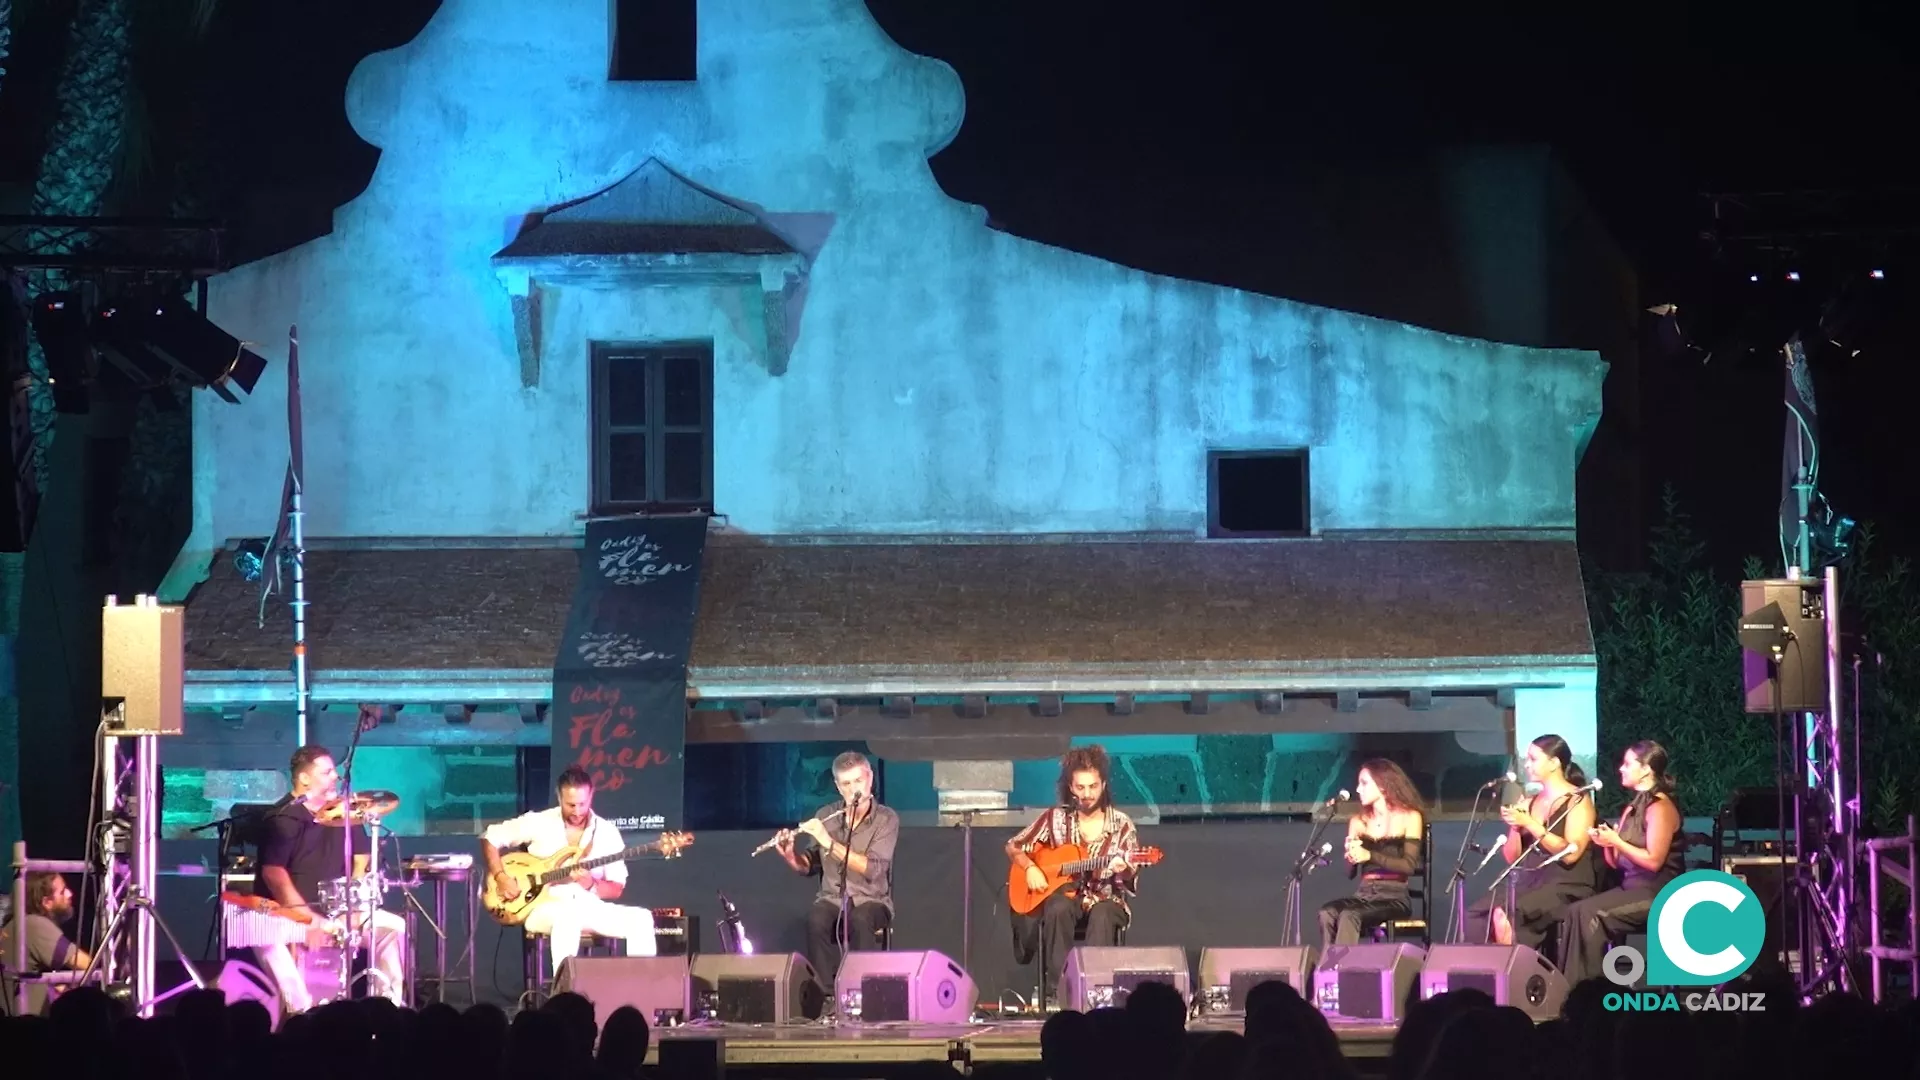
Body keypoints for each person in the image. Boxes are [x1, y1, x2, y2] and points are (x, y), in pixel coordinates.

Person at [254, 744, 408, 1010]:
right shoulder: (284, 818)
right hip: (286, 916)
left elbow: (361, 857)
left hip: (337, 912)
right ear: (304, 778)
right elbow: (273, 873)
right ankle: (296, 1021)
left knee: (392, 928)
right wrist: (307, 920)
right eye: (327, 772)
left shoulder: (344, 813)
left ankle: (389, 1009)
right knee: (299, 1002)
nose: (336, 777)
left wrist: (356, 904)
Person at [483, 766, 658, 975]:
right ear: (559, 797)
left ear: (592, 795)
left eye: (582, 804)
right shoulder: (540, 821)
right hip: (544, 907)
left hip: (588, 905)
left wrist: (591, 884)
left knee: (642, 919)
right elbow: (490, 837)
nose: (576, 811)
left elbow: (616, 888)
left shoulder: (607, 832)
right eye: (570, 804)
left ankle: (640, 996)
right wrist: (501, 877)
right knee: (568, 916)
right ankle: (566, 996)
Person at [1007, 745, 1145, 995]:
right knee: (1057, 907)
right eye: (1080, 787)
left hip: (1106, 900)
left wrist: (1123, 868)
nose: (1087, 793)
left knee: (1103, 913)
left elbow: (1130, 875)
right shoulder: (1055, 819)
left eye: (1093, 786)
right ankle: (1059, 992)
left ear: (1103, 785)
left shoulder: (1122, 825)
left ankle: (1096, 991)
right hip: (1067, 899)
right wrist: (1029, 868)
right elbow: (1013, 846)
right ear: (1070, 788)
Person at [1558, 740, 1685, 986]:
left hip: (1658, 892)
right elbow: (1617, 863)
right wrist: (1608, 843)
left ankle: (1591, 993)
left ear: (1646, 770)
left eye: (1628, 764)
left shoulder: (1661, 807)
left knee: (1589, 914)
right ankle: (1570, 990)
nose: (1621, 769)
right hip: (1631, 888)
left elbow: (1654, 861)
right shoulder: (1631, 808)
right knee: (1574, 911)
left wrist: (1617, 840)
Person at [773, 751, 900, 992]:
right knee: (816, 919)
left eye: (859, 781)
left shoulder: (886, 819)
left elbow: (872, 869)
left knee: (861, 919)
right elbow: (810, 864)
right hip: (832, 898)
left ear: (870, 778)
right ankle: (828, 996)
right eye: (847, 784)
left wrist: (828, 842)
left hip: (871, 899)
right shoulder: (826, 816)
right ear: (838, 787)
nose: (855, 790)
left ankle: (865, 993)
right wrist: (791, 856)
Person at [1467, 734, 1600, 957]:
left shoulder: (1578, 801)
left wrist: (1530, 823)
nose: (1527, 765)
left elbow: (1570, 854)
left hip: (1564, 883)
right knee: (1477, 913)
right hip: (1530, 879)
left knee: (1508, 913)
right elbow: (1512, 858)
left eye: (1533, 759)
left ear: (1554, 762)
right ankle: (1486, 978)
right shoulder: (1531, 802)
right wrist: (1516, 827)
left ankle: (1513, 976)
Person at [1318, 759, 1426, 946]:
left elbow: (1408, 866)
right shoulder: (1358, 821)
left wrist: (1370, 855)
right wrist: (1351, 857)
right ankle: (1328, 969)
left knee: (1350, 915)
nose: (1358, 789)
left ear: (1383, 786)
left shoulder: (1410, 817)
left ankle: (1343, 968)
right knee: (1327, 913)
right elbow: (1350, 874)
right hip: (1364, 894)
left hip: (1394, 897)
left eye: (1365, 783)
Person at [1, 871, 90, 1014]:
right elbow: (87, 964)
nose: (70, 894)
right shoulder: (34, 924)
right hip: (28, 1030)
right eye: (62, 892)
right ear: (46, 902)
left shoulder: (16, 924)